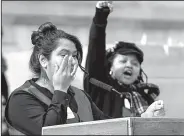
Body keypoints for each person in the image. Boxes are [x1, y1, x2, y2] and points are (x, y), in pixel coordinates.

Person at [5, 22, 110, 135]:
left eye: (74, 56)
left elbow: (111, 127)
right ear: (43, 60)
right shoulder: (21, 98)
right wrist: (60, 90)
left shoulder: (81, 95)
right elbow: (50, 132)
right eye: (64, 55)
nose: (72, 61)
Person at [84, 1, 165, 118]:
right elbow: (95, 52)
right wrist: (100, 17)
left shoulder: (145, 95)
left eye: (135, 63)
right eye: (123, 61)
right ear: (110, 66)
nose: (129, 66)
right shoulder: (100, 87)